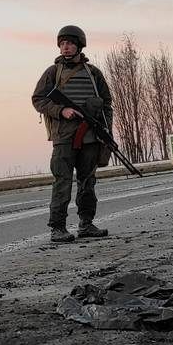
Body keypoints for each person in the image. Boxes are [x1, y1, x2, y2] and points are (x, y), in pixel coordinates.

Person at [31, 25, 115, 243]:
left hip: (90, 137)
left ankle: (86, 224)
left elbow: (107, 104)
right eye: (62, 44)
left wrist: (106, 131)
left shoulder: (93, 73)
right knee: (62, 182)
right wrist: (61, 110)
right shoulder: (52, 73)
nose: (65, 47)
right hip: (64, 137)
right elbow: (38, 99)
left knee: (88, 182)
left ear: (79, 45)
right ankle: (57, 228)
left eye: (69, 43)